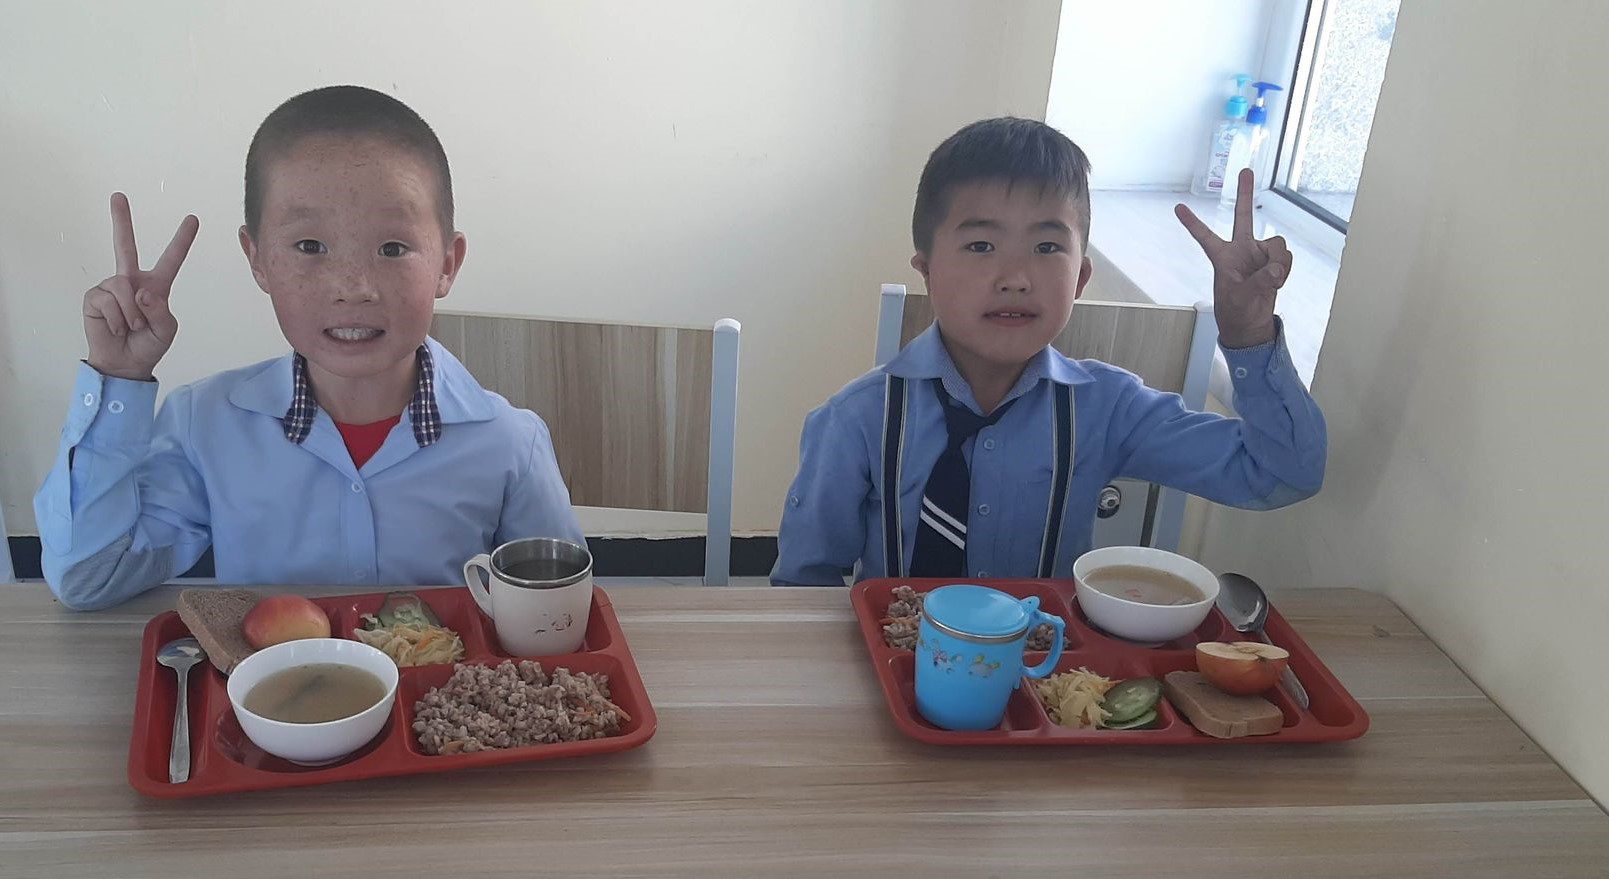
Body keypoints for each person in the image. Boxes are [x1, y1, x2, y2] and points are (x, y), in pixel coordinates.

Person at [35, 85, 582, 610]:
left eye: (392, 248)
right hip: (264, 701)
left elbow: (557, 615)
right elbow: (88, 579)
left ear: (447, 263)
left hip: (439, 703)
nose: (353, 286)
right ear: (257, 258)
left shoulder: (510, 443)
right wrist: (118, 377)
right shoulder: (206, 426)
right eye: (309, 246)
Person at [772, 117, 1324, 585]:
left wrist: (1248, 336)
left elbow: (1279, 474)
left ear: (1080, 277)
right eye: (981, 245)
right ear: (928, 273)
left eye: (1046, 246)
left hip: (1048, 687)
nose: (1015, 277)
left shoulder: (1109, 409)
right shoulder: (857, 420)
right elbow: (802, 585)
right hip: (895, 679)